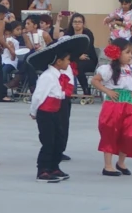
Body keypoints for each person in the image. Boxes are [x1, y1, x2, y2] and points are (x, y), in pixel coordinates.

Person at [28, 35, 89, 183]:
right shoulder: (47, 76)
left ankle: (54, 167)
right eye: (67, 60)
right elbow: (38, 96)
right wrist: (34, 111)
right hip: (46, 113)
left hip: (56, 111)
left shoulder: (59, 75)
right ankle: (42, 170)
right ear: (59, 61)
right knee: (48, 141)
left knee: (58, 140)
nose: (69, 62)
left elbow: (60, 92)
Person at [91, 39, 132, 176]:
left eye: (131, 53)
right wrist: (107, 91)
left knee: (130, 133)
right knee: (110, 133)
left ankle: (121, 162)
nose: (130, 55)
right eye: (127, 53)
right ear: (117, 53)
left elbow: (131, 84)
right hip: (114, 104)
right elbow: (95, 80)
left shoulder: (131, 69)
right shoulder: (108, 69)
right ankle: (107, 165)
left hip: (130, 104)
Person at [63, 13, 98, 96]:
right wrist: (77, 56)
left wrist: (76, 55)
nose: (77, 24)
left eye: (79, 22)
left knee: (78, 66)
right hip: (73, 59)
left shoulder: (88, 33)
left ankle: (85, 90)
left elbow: (88, 48)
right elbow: (65, 48)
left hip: (89, 60)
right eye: (75, 22)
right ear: (71, 23)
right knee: (69, 64)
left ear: (83, 24)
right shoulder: (68, 34)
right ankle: (68, 90)